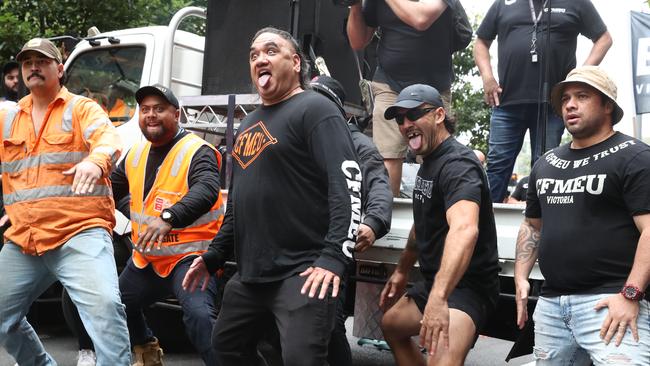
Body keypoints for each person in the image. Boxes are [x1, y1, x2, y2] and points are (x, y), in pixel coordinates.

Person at [182, 27, 361, 366]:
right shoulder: (249, 122)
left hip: (303, 272)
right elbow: (238, 199)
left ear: (295, 62)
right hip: (252, 275)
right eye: (253, 55)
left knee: (301, 359)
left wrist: (335, 256)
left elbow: (348, 185)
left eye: (271, 50)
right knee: (225, 347)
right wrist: (215, 254)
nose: (260, 58)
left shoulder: (316, 109)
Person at [0, 37, 130, 365]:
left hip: (79, 232)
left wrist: (94, 161)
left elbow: (108, 139)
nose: (33, 67)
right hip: (25, 239)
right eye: (27, 62)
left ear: (59, 69)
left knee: (105, 308)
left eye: (41, 61)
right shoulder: (10, 118)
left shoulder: (81, 108)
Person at [514, 66, 650, 364]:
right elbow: (532, 226)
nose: (570, 105)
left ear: (607, 106)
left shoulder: (635, 156)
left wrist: (630, 295)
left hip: (610, 304)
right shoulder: (545, 163)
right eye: (565, 99)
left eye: (582, 96)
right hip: (551, 305)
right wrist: (521, 277)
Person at [380, 84, 500, 365]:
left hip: (469, 289)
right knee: (392, 325)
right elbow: (423, 224)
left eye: (414, 115)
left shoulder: (458, 164)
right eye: (400, 119)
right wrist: (402, 270)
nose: (406, 124)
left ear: (438, 115)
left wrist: (438, 298)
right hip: (438, 282)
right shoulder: (428, 161)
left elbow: (465, 229)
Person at [112, 84, 223, 366]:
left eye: (159, 109)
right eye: (145, 110)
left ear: (176, 114)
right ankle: (146, 350)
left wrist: (168, 218)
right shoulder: (135, 154)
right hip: (147, 260)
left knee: (200, 317)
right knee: (113, 305)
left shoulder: (198, 151)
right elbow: (114, 186)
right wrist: (132, 209)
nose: (151, 115)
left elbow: (207, 188)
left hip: (189, 259)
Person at [474, 0, 613, 203]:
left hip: (553, 104)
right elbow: (481, 41)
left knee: (546, 165)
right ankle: (487, 221)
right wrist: (487, 77)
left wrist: (581, 75)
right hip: (507, 101)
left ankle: (539, 222)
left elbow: (604, 38)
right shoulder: (503, 3)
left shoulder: (576, 3)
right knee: (497, 164)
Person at [311, 74, 393, 366]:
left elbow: (379, 186)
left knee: (328, 327)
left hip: (331, 248)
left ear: (341, 112)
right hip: (289, 248)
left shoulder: (357, 143)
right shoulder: (296, 132)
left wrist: (372, 222)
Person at [347, 0, 455, 197]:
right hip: (389, 82)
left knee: (435, 156)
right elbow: (357, 41)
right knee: (387, 155)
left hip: (433, 87)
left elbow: (420, 19)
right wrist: (354, 6)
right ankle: (384, 221)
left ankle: (434, 221)